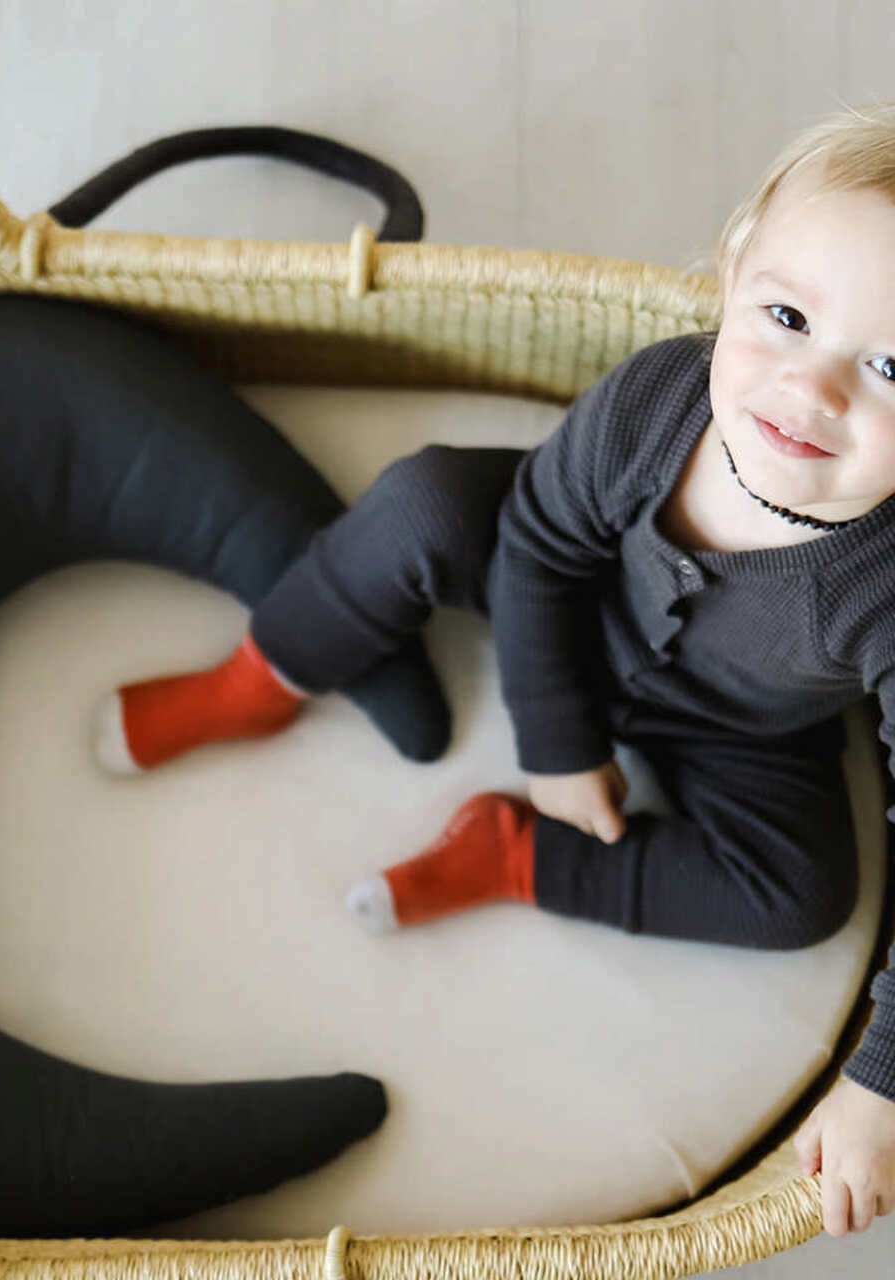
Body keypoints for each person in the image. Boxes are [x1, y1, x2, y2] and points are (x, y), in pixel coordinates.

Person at [93, 105, 895, 1237]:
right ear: (730, 270)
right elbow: (538, 544)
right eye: (786, 316)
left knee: (801, 898)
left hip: (741, 722)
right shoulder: (657, 399)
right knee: (423, 503)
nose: (812, 392)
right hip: (563, 594)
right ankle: (265, 672)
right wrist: (558, 743)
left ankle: (520, 857)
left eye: (890, 365)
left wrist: (878, 1082)